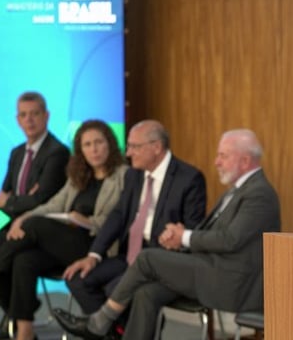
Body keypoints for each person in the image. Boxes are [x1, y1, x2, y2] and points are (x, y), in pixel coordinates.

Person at [53, 128, 281, 340]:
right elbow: (212, 234)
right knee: (146, 293)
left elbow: (230, 240)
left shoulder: (259, 194)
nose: (216, 162)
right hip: (209, 269)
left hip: (230, 283)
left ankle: (99, 323)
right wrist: (178, 238)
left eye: (223, 156)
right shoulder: (238, 190)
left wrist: (184, 236)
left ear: (244, 160)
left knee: (147, 257)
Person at [0, 119, 127, 340]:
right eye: (87, 144)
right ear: (80, 149)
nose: (94, 149)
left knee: (35, 225)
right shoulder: (79, 176)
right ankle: (25, 332)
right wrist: (22, 218)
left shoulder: (124, 176)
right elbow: (53, 205)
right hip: (65, 244)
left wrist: (87, 221)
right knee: (25, 258)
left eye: (99, 142)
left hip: (96, 246)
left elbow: (119, 221)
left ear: (109, 143)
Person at [60, 119, 207, 323]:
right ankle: (112, 335)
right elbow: (118, 216)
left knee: (116, 290)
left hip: (160, 260)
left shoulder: (189, 178)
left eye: (134, 147)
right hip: (129, 254)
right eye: (128, 146)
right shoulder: (134, 175)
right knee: (78, 280)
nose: (128, 153)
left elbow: (193, 230)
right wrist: (93, 255)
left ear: (156, 147)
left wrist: (176, 237)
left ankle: (104, 329)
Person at [0, 91, 69, 334]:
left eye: (35, 114)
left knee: (3, 260)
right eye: (24, 115)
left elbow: (40, 201)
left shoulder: (57, 152)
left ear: (46, 116)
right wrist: (19, 200)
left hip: (42, 233)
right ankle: (15, 318)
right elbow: (1, 198)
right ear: (17, 120)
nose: (29, 120)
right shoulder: (17, 153)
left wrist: (13, 201)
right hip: (15, 229)